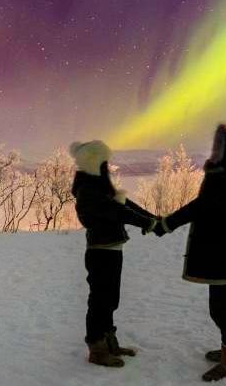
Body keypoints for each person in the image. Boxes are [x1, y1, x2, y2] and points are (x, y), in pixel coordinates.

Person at [155, 124, 226, 381]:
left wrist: (166, 224)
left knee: (225, 307)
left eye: (219, 147)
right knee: (224, 305)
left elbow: (202, 206)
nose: (214, 151)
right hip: (223, 251)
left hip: (224, 252)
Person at [70, 139, 161, 368]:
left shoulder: (100, 186)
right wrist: (146, 223)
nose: (107, 166)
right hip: (100, 251)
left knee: (110, 298)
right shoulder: (88, 189)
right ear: (93, 162)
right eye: (103, 162)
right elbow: (116, 210)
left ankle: (109, 341)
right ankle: (96, 348)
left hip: (111, 248)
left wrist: (152, 219)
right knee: (100, 299)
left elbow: (125, 204)